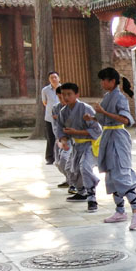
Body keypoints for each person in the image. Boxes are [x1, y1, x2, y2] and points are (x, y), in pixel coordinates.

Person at [94, 67, 136, 230]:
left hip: (118, 138)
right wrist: (94, 117)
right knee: (111, 174)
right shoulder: (107, 96)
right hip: (108, 137)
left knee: (121, 173)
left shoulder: (120, 98)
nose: (102, 83)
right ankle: (120, 211)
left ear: (113, 81)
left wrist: (104, 112)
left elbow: (126, 119)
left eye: (105, 80)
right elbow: (103, 117)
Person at [54, 83, 101, 212]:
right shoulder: (63, 112)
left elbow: (97, 130)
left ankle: (92, 198)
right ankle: (82, 192)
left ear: (76, 95)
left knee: (85, 168)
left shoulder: (86, 109)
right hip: (75, 145)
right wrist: (63, 141)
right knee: (70, 169)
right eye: (63, 95)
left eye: (69, 94)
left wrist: (76, 132)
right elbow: (60, 129)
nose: (66, 97)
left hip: (89, 144)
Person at [41, 71, 61, 166]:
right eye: (51, 78)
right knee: (50, 137)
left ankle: (60, 156)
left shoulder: (64, 88)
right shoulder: (45, 90)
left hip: (62, 117)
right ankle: (50, 157)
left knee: (61, 136)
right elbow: (44, 102)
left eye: (55, 77)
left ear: (59, 78)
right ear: (49, 79)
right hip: (49, 117)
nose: (53, 79)